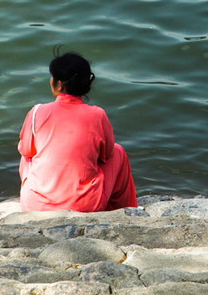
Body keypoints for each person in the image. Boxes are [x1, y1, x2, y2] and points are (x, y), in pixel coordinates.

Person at [18, 52, 137, 212]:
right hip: (86, 206)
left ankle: (40, 195)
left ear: (59, 84)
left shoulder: (37, 112)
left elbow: (26, 150)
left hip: (35, 205)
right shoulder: (98, 115)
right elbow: (107, 154)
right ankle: (125, 212)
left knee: (27, 155)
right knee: (118, 152)